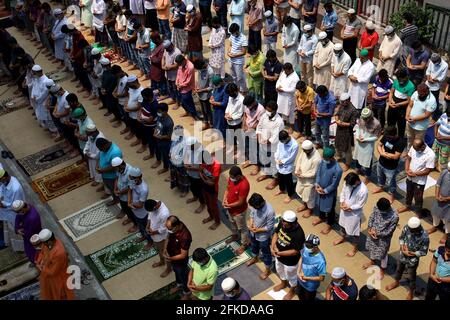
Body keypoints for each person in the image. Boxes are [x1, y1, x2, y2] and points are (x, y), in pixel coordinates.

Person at [386, 217, 430, 300]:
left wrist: (412, 253)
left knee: (411, 276)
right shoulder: (407, 227)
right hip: (402, 255)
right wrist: (402, 247)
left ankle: (411, 291)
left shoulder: (424, 236)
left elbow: (424, 252)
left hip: (412, 260)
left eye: (411, 230)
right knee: (399, 269)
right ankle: (396, 282)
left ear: (416, 228)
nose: (409, 230)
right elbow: (401, 238)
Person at [271, 210, 305, 300]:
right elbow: (276, 233)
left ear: (292, 223)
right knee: (279, 270)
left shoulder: (299, 234)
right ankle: (283, 283)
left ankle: (292, 290)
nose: (283, 224)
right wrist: (272, 246)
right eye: (283, 221)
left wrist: (280, 253)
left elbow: (295, 251)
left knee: (292, 276)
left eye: (285, 223)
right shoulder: (282, 223)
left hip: (291, 261)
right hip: (278, 255)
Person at [334, 172, 368, 257]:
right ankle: (343, 237)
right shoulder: (348, 183)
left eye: (350, 184)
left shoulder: (363, 190)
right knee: (342, 225)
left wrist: (351, 208)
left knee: (354, 231)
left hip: (354, 214)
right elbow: (343, 192)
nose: (348, 185)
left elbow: (360, 204)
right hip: (344, 209)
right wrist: (342, 202)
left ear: (356, 181)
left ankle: (355, 247)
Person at [363, 198, 399, 279]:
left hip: (383, 239)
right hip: (372, 233)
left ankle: (382, 270)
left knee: (383, 255)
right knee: (372, 248)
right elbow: (371, 217)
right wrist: (369, 228)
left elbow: (390, 231)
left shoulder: (394, 216)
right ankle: (372, 261)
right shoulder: (377, 207)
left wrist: (378, 234)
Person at [398, 139, 435, 214]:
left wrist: (415, 174)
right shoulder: (414, 147)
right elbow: (408, 158)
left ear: (422, 147)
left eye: (417, 149)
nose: (415, 151)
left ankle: (418, 212)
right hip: (409, 177)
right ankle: (407, 205)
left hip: (419, 181)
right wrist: (407, 169)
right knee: (408, 192)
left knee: (418, 197)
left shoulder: (431, 155)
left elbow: (428, 171)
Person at [37, 229, 74, 300]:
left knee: (59, 294)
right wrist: (39, 260)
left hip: (58, 276)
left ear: (49, 241)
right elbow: (42, 252)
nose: (43, 245)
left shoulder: (59, 253)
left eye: (44, 243)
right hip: (48, 272)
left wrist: (42, 268)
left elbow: (53, 272)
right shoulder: (50, 242)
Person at [161, 215, 192, 300]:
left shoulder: (185, 236)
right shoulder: (173, 229)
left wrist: (170, 259)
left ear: (177, 226)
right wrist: (164, 249)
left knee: (183, 275)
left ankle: (187, 292)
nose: (168, 230)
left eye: (169, 229)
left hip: (180, 261)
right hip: (172, 256)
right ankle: (179, 285)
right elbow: (168, 237)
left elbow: (183, 255)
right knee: (176, 272)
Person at [312, 147, 342, 234]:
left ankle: (329, 224)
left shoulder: (338, 169)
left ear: (332, 157)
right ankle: (321, 217)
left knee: (330, 209)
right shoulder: (322, 162)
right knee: (320, 204)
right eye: (324, 158)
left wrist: (325, 190)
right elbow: (318, 173)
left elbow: (334, 184)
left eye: (326, 158)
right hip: (319, 188)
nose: (324, 160)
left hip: (329, 194)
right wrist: (317, 184)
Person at [255, 101, 285, 188]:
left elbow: (276, 136)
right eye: (266, 110)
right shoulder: (264, 116)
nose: (267, 112)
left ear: (275, 111)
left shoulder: (279, 122)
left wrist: (268, 141)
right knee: (264, 159)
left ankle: (275, 180)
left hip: (273, 147)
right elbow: (259, 126)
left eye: (269, 110)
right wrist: (258, 135)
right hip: (262, 142)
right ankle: (267, 173)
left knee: (273, 163)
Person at [246, 193, 275, 280]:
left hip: (263, 237)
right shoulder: (255, 206)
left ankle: (267, 269)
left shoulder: (270, 211)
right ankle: (255, 258)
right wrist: (251, 224)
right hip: (253, 233)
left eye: (255, 207)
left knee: (266, 253)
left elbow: (269, 227)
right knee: (254, 246)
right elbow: (252, 215)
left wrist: (258, 230)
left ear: (260, 204)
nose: (254, 208)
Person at [373, 126, 406, 203]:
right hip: (381, 162)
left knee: (391, 182)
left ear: (394, 135)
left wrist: (385, 154)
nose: (387, 138)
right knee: (379, 176)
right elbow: (379, 145)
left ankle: (391, 194)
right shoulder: (386, 136)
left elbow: (396, 156)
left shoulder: (401, 142)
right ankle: (380, 187)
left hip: (391, 167)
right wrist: (382, 153)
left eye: (389, 137)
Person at [223, 166, 250, 253]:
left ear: (238, 176)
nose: (231, 179)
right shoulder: (232, 179)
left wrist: (228, 205)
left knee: (242, 229)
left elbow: (241, 202)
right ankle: (235, 235)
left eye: (233, 177)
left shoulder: (244, 185)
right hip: (230, 209)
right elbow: (227, 189)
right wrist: (224, 200)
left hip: (239, 212)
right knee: (232, 224)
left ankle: (244, 244)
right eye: (230, 177)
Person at [353, 108, 382, 184]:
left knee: (367, 161)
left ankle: (367, 176)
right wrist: (357, 136)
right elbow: (358, 128)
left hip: (368, 144)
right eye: (364, 118)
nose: (364, 120)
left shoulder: (377, 123)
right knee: (358, 156)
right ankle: (357, 169)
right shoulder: (361, 118)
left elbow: (377, 137)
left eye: (366, 118)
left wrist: (366, 139)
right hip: (360, 140)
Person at [295, 140, 321, 217]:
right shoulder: (304, 151)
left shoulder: (317, 158)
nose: (304, 152)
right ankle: (305, 205)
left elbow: (314, 173)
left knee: (310, 197)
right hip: (301, 177)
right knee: (303, 194)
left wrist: (303, 175)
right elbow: (299, 160)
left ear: (310, 149)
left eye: (305, 151)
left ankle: (310, 210)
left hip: (309, 181)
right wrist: (297, 170)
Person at [406, 84, 437, 149]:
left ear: (426, 92)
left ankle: (417, 156)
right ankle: (409, 153)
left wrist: (414, 118)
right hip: (410, 123)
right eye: (418, 93)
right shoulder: (416, 93)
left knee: (418, 143)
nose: (419, 95)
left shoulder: (432, 100)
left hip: (421, 127)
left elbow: (426, 115)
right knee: (409, 139)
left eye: (421, 94)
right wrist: (407, 115)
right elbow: (410, 105)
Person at [297, 234, 326, 300]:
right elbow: (301, 257)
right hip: (300, 279)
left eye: (309, 246)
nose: (306, 247)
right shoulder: (305, 247)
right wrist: (299, 271)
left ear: (315, 247)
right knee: (300, 296)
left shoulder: (321, 261)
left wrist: (306, 278)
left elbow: (321, 278)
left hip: (310, 286)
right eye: (306, 245)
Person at [387, 68, 415, 138]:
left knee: (401, 126)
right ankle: (389, 136)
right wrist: (390, 100)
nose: (399, 81)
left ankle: (400, 139)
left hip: (401, 109)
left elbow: (409, 101)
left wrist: (398, 104)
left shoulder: (411, 86)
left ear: (406, 77)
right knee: (390, 124)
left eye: (401, 79)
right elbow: (391, 92)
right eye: (398, 79)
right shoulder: (396, 81)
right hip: (392, 106)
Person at [96, 137, 123, 206]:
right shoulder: (103, 148)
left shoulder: (115, 152)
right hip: (105, 175)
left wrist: (102, 170)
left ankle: (118, 201)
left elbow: (115, 166)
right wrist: (97, 165)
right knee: (110, 188)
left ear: (105, 145)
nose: (101, 151)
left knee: (115, 190)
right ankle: (115, 199)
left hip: (113, 176)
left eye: (101, 149)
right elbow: (100, 156)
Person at [428, 161, 450, 244]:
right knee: (435, 214)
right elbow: (438, 184)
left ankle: (446, 234)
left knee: (448, 220)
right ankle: (434, 226)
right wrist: (437, 196)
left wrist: (446, 198)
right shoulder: (444, 172)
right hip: (439, 199)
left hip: (448, 203)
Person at [335, 93, 358, 171]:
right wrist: (336, 120)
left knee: (347, 149)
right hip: (339, 130)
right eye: (341, 102)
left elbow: (352, 124)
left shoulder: (354, 110)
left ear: (348, 100)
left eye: (343, 101)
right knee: (337, 144)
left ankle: (348, 163)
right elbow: (337, 114)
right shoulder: (341, 106)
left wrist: (341, 123)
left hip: (347, 132)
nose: (342, 103)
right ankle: (339, 157)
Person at [112, 157, 136, 230]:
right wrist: (115, 188)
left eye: (116, 168)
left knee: (132, 211)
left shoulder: (130, 172)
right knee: (125, 209)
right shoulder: (120, 169)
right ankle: (130, 218)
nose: (115, 170)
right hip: (122, 196)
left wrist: (120, 192)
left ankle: (136, 224)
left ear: (121, 165)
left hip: (129, 197)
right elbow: (117, 178)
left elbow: (130, 187)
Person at [274, 130, 299, 204]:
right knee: (280, 177)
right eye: (281, 141)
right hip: (279, 162)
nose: (282, 143)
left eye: (283, 141)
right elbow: (278, 150)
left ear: (288, 137)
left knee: (288, 181)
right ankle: (281, 189)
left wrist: (282, 162)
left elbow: (292, 157)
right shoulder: (281, 141)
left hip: (287, 165)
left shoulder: (294, 145)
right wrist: (276, 158)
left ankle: (290, 194)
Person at [199, 151, 222, 230]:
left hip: (213, 189)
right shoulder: (203, 161)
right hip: (204, 186)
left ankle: (217, 221)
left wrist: (204, 178)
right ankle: (211, 216)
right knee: (207, 204)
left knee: (214, 206)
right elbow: (200, 171)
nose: (204, 164)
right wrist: (206, 179)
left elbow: (212, 183)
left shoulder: (216, 166)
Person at [242, 95, 265, 171]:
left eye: (249, 106)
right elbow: (245, 115)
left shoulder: (261, 109)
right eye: (247, 106)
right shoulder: (247, 105)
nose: (248, 107)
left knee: (256, 148)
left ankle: (256, 165)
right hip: (247, 129)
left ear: (254, 102)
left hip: (256, 131)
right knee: (247, 146)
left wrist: (251, 129)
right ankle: (249, 160)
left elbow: (259, 122)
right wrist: (244, 125)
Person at [144, 199, 170, 268]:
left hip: (162, 237)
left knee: (165, 252)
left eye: (151, 210)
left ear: (154, 208)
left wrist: (153, 232)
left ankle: (169, 268)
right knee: (159, 250)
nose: (151, 212)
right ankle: (162, 261)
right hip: (154, 236)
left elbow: (163, 229)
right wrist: (147, 225)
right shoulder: (155, 202)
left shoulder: (164, 214)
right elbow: (150, 215)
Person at [276, 63, 299, 132]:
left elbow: (293, 89)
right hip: (281, 96)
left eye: (286, 71)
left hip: (289, 98)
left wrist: (282, 89)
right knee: (282, 111)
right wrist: (277, 87)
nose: (284, 73)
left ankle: (291, 127)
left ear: (290, 69)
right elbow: (278, 80)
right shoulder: (284, 73)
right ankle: (283, 123)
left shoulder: (295, 78)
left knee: (291, 113)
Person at [175, 54, 198, 122]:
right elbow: (178, 74)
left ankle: (194, 117)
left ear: (183, 60)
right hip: (180, 86)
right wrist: (177, 82)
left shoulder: (190, 67)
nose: (179, 66)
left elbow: (189, 80)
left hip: (187, 87)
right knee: (182, 101)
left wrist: (181, 85)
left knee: (188, 102)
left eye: (180, 64)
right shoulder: (180, 65)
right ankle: (187, 112)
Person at [168, 125, 189, 196]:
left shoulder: (185, 141)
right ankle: (177, 185)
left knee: (183, 176)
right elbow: (172, 146)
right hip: (173, 160)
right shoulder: (174, 137)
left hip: (180, 163)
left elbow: (184, 153)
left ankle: (185, 190)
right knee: (174, 174)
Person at [426, 53, 448, 118]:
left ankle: (435, 117)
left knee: (434, 102)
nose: (433, 63)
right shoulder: (431, 61)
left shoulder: (445, 65)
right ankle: (426, 113)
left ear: (439, 59)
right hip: (428, 83)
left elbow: (442, 77)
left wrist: (435, 80)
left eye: (435, 62)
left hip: (436, 86)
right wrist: (428, 78)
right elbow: (428, 71)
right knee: (426, 99)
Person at [228, 23, 248, 94]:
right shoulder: (232, 36)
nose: (232, 34)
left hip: (238, 61)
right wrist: (228, 51)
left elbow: (243, 52)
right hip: (231, 60)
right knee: (233, 76)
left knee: (240, 77)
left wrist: (234, 55)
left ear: (237, 31)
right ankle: (236, 88)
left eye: (233, 33)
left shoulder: (243, 38)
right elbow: (230, 45)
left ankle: (243, 90)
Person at [194, 59, 214, 130]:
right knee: (203, 110)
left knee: (208, 110)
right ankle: (206, 123)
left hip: (206, 95)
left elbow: (211, 87)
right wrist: (196, 86)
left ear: (203, 66)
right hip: (200, 94)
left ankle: (211, 124)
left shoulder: (210, 71)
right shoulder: (200, 68)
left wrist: (201, 90)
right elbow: (198, 79)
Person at [83, 123, 105, 187]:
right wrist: (85, 150)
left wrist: (89, 155)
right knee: (94, 170)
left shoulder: (101, 138)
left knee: (101, 173)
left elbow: (99, 153)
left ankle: (105, 188)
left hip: (99, 159)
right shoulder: (92, 135)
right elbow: (88, 143)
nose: (88, 135)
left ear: (93, 132)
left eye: (88, 133)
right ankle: (99, 182)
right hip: (91, 157)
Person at [162, 40, 182, 108]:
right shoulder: (167, 50)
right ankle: (173, 99)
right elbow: (163, 57)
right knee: (170, 88)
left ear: (171, 45)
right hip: (168, 74)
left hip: (175, 75)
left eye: (167, 48)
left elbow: (176, 65)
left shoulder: (177, 52)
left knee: (175, 89)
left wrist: (167, 68)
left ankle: (178, 102)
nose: (166, 50)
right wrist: (163, 65)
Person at [433, 106, 450, 172]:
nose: (448, 117)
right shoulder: (444, 115)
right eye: (448, 115)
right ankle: (434, 167)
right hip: (436, 142)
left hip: (446, 145)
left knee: (443, 161)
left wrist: (443, 137)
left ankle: (444, 173)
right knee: (433, 157)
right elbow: (436, 124)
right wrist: (435, 134)